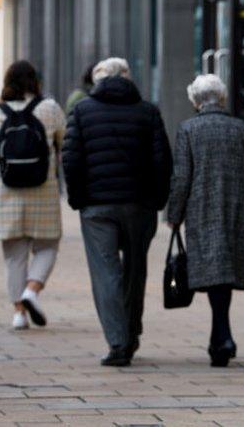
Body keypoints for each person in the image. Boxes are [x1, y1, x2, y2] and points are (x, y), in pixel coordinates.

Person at [62, 57, 172, 367]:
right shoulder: (147, 111)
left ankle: (117, 341)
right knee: (135, 271)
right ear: (128, 78)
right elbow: (162, 160)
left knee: (106, 272)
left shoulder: (82, 111)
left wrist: (78, 199)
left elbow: (71, 159)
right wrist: (157, 200)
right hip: (139, 205)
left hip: (97, 205)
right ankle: (131, 331)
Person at [0, 61, 66, 329]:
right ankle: (32, 290)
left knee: (14, 257)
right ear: (35, 81)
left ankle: (19, 314)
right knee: (47, 246)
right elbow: (66, 142)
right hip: (42, 189)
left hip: (5, 190)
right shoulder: (50, 108)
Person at [167, 74, 244, 367]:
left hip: (202, 209)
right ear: (223, 98)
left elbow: (181, 178)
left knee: (215, 273)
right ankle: (221, 336)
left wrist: (174, 214)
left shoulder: (189, 129)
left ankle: (221, 337)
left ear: (195, 100)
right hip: (237, 209)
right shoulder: (243, 128)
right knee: (224, 273)